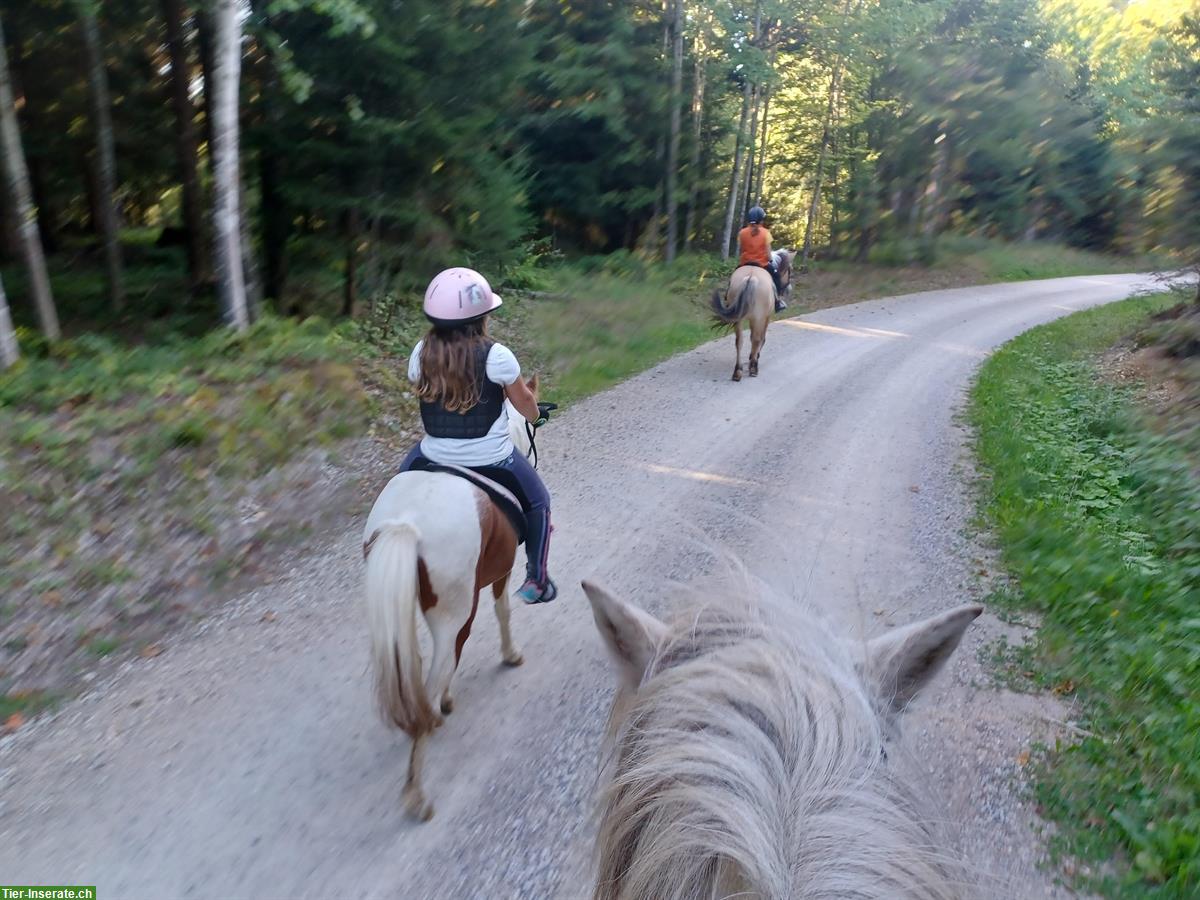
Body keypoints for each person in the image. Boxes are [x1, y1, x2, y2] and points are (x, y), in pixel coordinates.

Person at [398, 267, 557, 604]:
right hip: (492, 459)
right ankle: (538, 579)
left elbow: (429, 392)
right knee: (540, 501)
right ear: (482, 316)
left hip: (432, 455)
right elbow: (524, 401)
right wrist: (536, 416)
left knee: (397, 493)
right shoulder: (497, 355)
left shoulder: (420, 352)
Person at [737, 206, 787, 311]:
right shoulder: (766, 233)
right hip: (762, 265)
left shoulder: (742, 233)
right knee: (777, 277)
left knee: (734, 276)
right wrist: (771, 261)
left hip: (744, 264)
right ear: (761, 220)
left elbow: (741, 251)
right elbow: (769, 255)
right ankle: (777, 303)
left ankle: (728, 297)